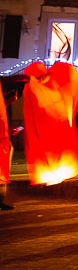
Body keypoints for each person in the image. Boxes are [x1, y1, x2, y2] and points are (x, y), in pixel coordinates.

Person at [1, 75, 28, 210]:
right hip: (2, 141)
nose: (16, 98)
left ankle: (1, 199)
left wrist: (15, 129)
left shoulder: (7, 107)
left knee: (4, 171)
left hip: (5, 139)